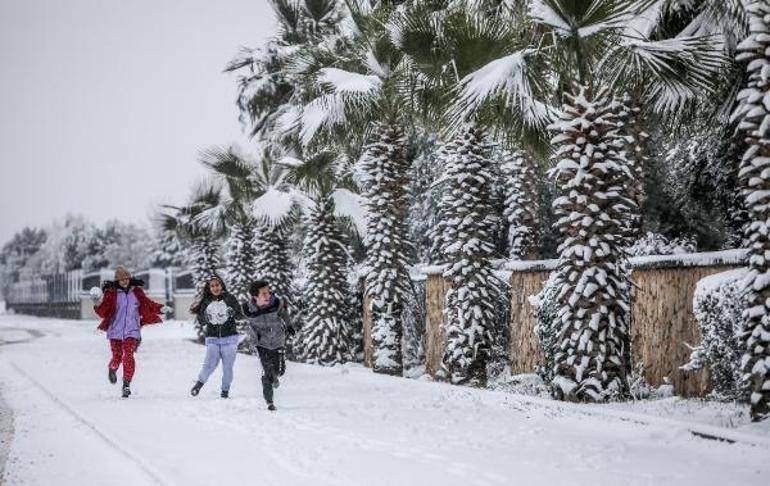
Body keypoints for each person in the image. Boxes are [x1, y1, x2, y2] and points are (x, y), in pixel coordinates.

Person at [92, 266, 164, 398]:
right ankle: (112, 368)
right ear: (117, 281)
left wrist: (161, 308)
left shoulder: (136, 292)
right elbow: (103, 312)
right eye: (121, 279)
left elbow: (148, 304)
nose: (124, 281)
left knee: (128, 356)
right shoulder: (112, 294)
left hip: (132, 330)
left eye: (126, 278)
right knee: (117, 356)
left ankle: (126, 384)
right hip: (115, 331)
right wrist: (97, 303)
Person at [189, 276, 244, 398]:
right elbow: (201, 321)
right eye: (212, 286)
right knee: (209, 364)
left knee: (227, 367)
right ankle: (199, 384)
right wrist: (205, 317)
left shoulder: (230, 298)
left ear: (222, 285)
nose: (215, 288)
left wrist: (233, 312)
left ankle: (225, 391)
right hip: (213, 338)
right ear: (209, 288)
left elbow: (240, 315)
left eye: (217, 285)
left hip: (229, 338)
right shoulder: (206, 301)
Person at [242, 280, 292, 411]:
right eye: (263, 293)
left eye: (268, 291)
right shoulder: (249, 308)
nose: (267, 294)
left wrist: (289, 325)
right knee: (267, 370)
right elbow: (238, 315)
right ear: (255, 296)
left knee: (279, 371)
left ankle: (274, 377)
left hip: (277, 340)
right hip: (261, 342)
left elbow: (284, 314)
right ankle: (269, 401)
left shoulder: (276, 303)